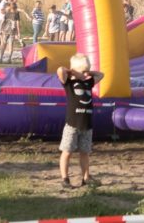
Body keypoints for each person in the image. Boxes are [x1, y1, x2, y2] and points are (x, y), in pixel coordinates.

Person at [57, 53, 105, 188]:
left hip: (86, 125)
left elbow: (101, 75)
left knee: (85, 153)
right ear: (74, 70)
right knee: (67, 152)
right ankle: (65, 179)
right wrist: (73, 73)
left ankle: (86, 177)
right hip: (72, 125)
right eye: (82, 71)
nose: (84, 74)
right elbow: (60, 70)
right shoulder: (69, 83)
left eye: (86, 71)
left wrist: (88, 73)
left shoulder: (88, 83)